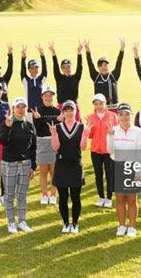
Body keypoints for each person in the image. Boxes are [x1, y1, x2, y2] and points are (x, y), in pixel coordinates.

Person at [50, 100, 91, 234]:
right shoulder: (57, 127)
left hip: (75, 166)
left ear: (75, 111)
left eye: (71, 109)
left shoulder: (81, 127)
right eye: (66, 110)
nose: (69, 112)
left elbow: (83, 148)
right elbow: (55, 148)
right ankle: (66, 223)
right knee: (62, 197)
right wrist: (54, 135)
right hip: (62, 166)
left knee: (75, 197)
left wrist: (85, 135)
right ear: (62, 112)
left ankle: (75, 223)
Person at [0, 97, 37, 234]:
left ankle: (22, 221)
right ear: (13, 109)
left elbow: (33, 148)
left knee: (22, 195)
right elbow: (3, 141)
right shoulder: (7, 123)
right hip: (10, 164)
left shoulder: (29, 126)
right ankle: (11, 222)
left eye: (23, 107)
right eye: (18, 107)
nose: (21, 110)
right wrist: (8, 127)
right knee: (9, 195)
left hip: (25, 164)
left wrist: (33, 166)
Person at [107, 103, 141, 237]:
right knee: (120, 199)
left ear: (131, 115)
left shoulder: (137, 131)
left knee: (132, 199)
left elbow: (139, 153)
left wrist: (138, 173)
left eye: (127, 114)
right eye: (121, 114)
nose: (124, 117)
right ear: (117, 116)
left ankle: (132, 226)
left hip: (132, 167)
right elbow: (110, 151)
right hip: (117, 166)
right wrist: (110, 136)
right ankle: (122, 225)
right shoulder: (113, 130)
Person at [86, 93, 118, 208]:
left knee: (109, 175)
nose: (99, 106)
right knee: (98, 174)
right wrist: (88, 130)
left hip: (108, 150)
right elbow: (90, 136)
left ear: (105, 103)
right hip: (95, 150)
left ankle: (109, 197)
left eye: (101, 103)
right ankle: (101, 197)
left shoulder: (113, 116)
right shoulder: (90, 117)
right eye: (96, 104)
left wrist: (112, 132)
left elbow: (116, 132)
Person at [32, 86, 63, 205]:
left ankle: (53, 195)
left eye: (50, 95)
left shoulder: (57, 112)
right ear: (42, 97)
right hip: (42, 143)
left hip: (54, 143)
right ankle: (45, 195)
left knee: (54, 172)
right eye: (46, 95)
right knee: (44, 172)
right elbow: (38, 130)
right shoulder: (38, 111)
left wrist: (60, 121)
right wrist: (36, 119)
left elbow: (59, 130)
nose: (48, 98)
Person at [85, 38, 125, 113]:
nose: (103, 67)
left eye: (105, 65)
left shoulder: (114, 76)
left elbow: (119, 63)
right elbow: (90, 64)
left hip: (114, 108)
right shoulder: (96, 76)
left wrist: (122, 50)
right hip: (100, 109)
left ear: (109, 66)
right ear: (98, 68)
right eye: (101, 65)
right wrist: (87, 51)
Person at [49, 41, 83, 121]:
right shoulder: (59, 77)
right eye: (64, 67)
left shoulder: (76, 77)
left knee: (77, 127)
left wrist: (79, 53)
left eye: (68, 67)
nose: (66, 69)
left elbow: (80, 67)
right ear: (61, 69)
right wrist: (53, 54)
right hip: (61, 107)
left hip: (74, 107)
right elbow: (55, 67)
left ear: (71, 67)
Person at [20, 44, 47, 121]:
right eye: (32, 68)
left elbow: (45, 69)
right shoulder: (26, 80)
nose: (34, 70)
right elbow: (22, 71)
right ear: (28, 69)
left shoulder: (41, 79)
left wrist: (42, 55)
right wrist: (23, 58)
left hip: (41, 111)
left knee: (41, 131)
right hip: (29, 111)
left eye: (36, 68)